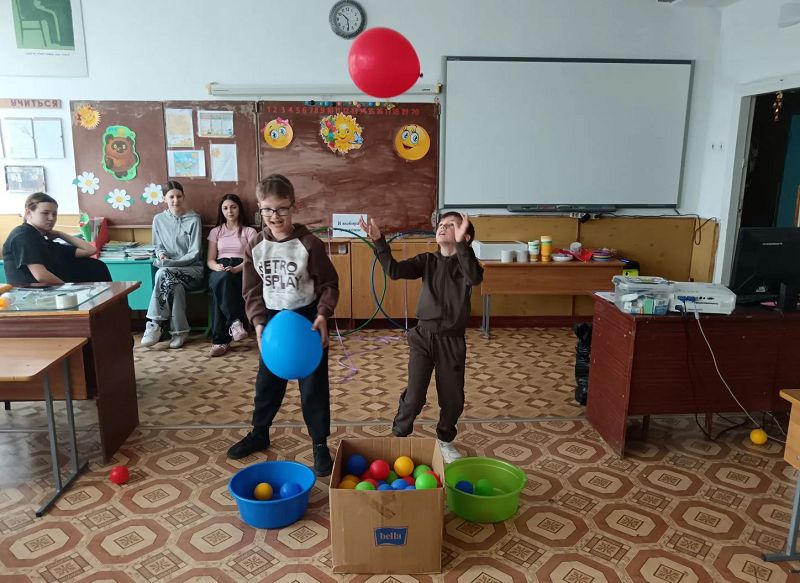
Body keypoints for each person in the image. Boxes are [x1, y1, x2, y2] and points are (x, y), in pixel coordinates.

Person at [227, 174, 339, 477]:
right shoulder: (256, 245)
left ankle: (319, 443)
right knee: (266, 384)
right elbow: (251, 290)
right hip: (273, 325)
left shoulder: (309, 244)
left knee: (314, 387)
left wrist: (323, 314)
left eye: (281, 209)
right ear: (260, 209)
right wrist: (258, 322)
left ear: (293, 207)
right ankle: (259, 432)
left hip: (307, 322)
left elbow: (329, 284)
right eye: (267, 209)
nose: (274, 216)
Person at [359, 212, 484, 464]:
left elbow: (475, 277)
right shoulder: (427, 260)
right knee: (414, 396)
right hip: (422, 338)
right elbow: (394, 270)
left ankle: (445, 439)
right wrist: (379, 241)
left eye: (451, 225)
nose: (442, 228)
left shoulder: (466, 264)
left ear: (465, 236)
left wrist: (462, 246)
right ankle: (400, 434)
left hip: (451, 341)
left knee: (452, 398)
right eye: (440, 224)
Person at [140, 181, 204, 349]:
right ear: (164, 199)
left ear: (184, 197)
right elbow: (158, 246)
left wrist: (170, 263)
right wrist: (162, 255)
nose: (176, 200)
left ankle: (155, 323)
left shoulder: (194, 219)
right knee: (174, 286)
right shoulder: (158, 220)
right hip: (170, 271)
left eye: (179, 196)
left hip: (192, 271)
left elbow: (195, 252)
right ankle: (179, 331)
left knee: (162, 273)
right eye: (171, 197)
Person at [2, 192, 111, 285]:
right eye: (45, 213)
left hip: (47, 294)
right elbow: (41, 276)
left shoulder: (43, 240)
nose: (51, 218)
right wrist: (70, 290)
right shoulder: (23, 235)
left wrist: (60, 234)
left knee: (96, 266)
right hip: (30, 297)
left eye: (54, 214)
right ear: (28, 213)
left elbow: (91, 250)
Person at [207, 194, 258, 357]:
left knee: (221, 289)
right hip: (219, 268)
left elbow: (253, 258)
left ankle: (220, 341)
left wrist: (236, 269)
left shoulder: (249, 231)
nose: (229, 211)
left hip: (242, 268)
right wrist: (217, 267)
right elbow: (210, 260)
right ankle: (235, 322)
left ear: (239, 208)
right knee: (222, 281)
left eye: (233, 207)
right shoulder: (216, 231)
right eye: (225, 208)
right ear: (221, 211)